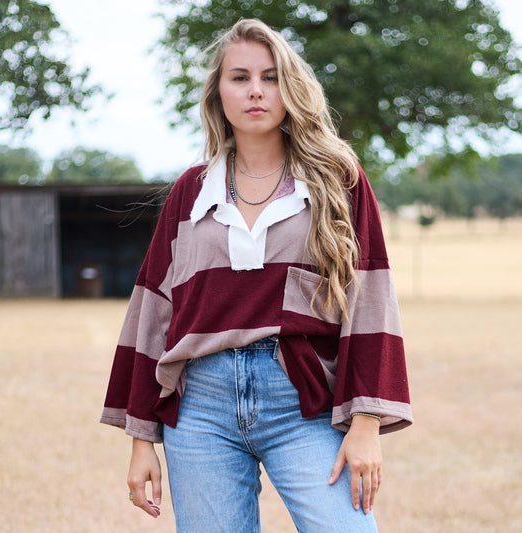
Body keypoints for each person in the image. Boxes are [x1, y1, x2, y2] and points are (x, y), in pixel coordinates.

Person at [101, 18, 412, 533]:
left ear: (291, 88)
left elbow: (370, 300)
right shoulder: (190, 191)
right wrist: (142, 440)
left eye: (270, 77)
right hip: (199, 407)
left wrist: (366, 422)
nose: (256, 92)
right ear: (217, 91)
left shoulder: (338, 181)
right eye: (240, 77)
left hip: (303, 400)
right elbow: (152, 314)